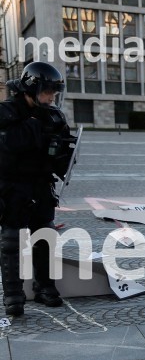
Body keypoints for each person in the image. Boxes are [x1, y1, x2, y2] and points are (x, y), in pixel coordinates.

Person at [0, 62, 73, 316]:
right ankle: (13, 294)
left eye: (54, 92)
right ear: (32, 89)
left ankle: (45, 286)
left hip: (41, 185)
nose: (51, 97)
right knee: (11, 241)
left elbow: (63, 150)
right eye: (47, 91)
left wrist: (64, 152)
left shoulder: (53, 115)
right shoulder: (7, 112)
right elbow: (6, 147)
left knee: (45, 236)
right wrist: (32, 128)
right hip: (13, 186)